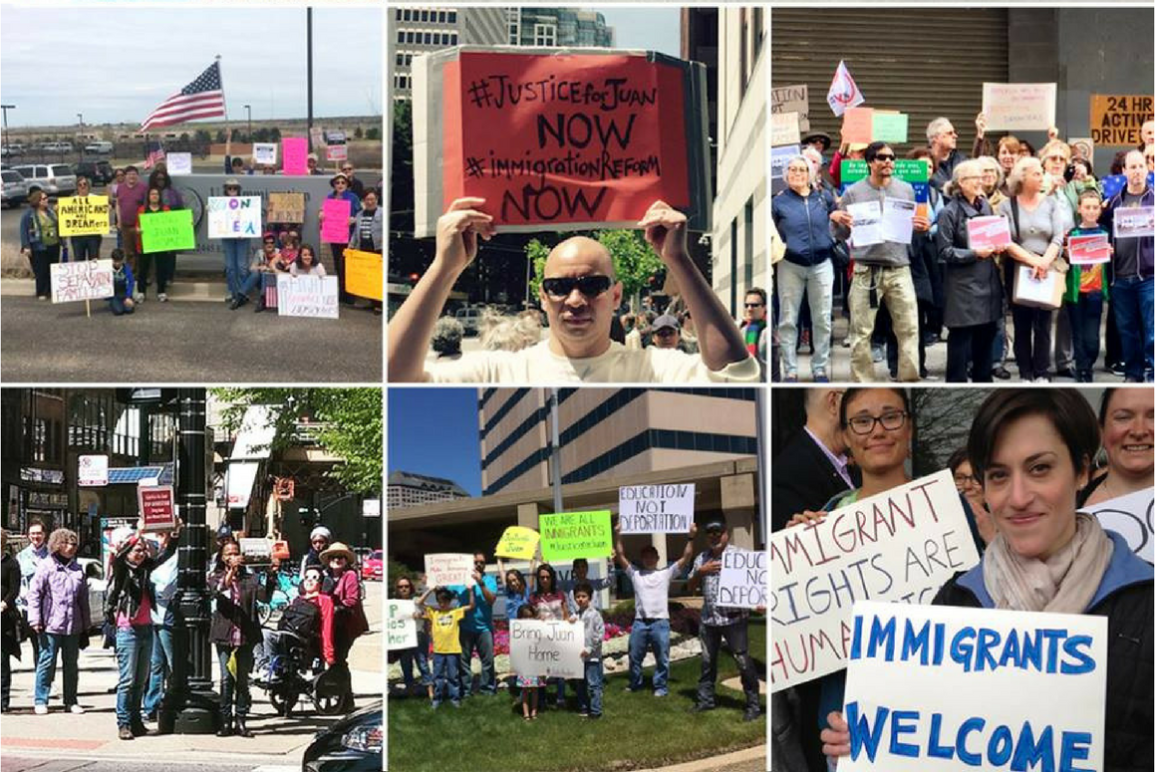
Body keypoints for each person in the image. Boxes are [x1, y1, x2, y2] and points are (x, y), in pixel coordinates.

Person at [820, 390, 1153, 772]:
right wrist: (864, 747)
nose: (1018, 497)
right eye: (998, 475)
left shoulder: (1146, 605)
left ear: (1080, 471)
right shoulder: (956, 600)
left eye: (1039, 468)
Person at [389, 199, 759, 383]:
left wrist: (679, 260)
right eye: (560, 287)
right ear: (542, 296)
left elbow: (737, 371)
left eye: (592, 285)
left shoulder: (654, 367)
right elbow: (394, 377)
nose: (576, 300)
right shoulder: (500, 370)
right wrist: (443, 267)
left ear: (615, 296)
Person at [831, 142, 929, 382]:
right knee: (861, 332)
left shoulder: (906, 189)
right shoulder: (853, 192)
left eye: (892, 158)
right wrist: (836, 219)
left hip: (899, 267)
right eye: (882, 157)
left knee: (909, 328)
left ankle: (908, 379)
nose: (888, 162)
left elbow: (912, 228)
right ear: (869, 162)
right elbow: (842, 234)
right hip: (866, 269)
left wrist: (921, 228)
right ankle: (863, 382)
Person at [106, 520, 181, 740]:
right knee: (128, 680)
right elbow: (119, 559)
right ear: (128, 552)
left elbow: (165, 556)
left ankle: (137, 722)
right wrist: (139, 533)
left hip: (146, 628)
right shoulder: (122, 570)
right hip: (127, 629)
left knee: (141, 680)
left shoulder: (146, 569)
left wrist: (175, 535)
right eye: (136, 550)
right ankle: (124, 722)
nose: (141, 553)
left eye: (142, 550)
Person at [936, 159, 1006, 382]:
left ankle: (983, 380)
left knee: (986, 336)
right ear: (961, 182)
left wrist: (998, 244)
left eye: (981, 176)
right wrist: (974, 253)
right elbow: (944, 252)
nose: (980, 181)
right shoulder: (949, 212)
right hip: (963, 287)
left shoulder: (985, 205)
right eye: (975, 177)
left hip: (987, 282)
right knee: (961, 339)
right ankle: (956, 383)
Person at [998, 157, 1066, 382]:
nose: (1041, 177)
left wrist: (1044, 261)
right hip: (1019, 269)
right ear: (1023, 176)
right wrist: (1032, 262)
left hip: (1047, 268)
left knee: (1044, 323)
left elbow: (1058, 235)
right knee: (1022, 323)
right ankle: (1026, 371)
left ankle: (1042, 371)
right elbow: (1006, 241)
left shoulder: (1051, 203)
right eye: (1037, 173)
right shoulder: (1008, 205)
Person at [687, 516, 761, 722]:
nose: (714, 537)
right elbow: (690, 587)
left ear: (726, 534)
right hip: (709, 620)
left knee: (743, 661)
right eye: (710, 534)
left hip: (734, 619)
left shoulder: (740, 557)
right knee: (707, 661)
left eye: (718, 533)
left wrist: (760, 602)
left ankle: (753, 704)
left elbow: (757, 584)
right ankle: (705, 700)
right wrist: (700, 573)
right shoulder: (701, 559)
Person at [613, 521, 698, 697]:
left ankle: (660, 687)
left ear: (658, 558)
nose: (649, 559)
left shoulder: (665, 573)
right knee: (635, 657)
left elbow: (686, 557)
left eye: (652, 556)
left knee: (662, 658)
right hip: (640, 623)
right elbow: (620, 556)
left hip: (660, 622)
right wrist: (618, 535)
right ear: (642, 559)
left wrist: (691, 537)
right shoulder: (635, 574)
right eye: (646, 556)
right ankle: (635, 683)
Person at [775, 155, 838, 382]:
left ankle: (819, 367)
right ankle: (790, 370)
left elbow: (837, 224)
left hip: (821, 263)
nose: (796, 173)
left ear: (810, 174)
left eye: (801, 170)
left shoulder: (823, 198)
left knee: (821, 317)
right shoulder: (779, 202)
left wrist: (835, 237)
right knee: (788, 319)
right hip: (790, 264)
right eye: (791, 169)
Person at [207, 539, 275, 738]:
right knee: (227, 679)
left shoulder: (249, 579)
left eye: (236, 553)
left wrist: (271, 575)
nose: (233, 556)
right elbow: (219, 590)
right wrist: (231, 572)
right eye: (228, 553)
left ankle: (241, 720)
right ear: (222, 557)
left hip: (245, 636)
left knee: (242, 681)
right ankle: (225, 722)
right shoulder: (216, 576)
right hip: (224, 636)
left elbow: (265, 598)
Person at [1101, 149, 1153, 382]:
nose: (1137, 171)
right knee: (1127, 330)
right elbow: (1101, 232)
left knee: (1152, 331)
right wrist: (1105, 248)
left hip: (1148, 277)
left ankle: (1152, 372)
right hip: (1120, 277)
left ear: (1147, 169)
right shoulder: (1113, 202)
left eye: (1141, 166)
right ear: (1123, 171)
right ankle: (1133, 373)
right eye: (1132, 167)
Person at [27, 528, 89, 716]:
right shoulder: (46, 566)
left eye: (73, 544)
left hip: (73, 625)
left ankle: (71, 700)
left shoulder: (77, 569)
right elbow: (34, 594)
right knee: (47, 661)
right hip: (51, 624)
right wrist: (35, 619)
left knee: (71, 664)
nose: (70, 547)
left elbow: (83, 599)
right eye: (66, 543)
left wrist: (86, 624)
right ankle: (40, 699)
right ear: (57, 545)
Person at [254, 564, 335, 680]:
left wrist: (329, 655)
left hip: (302, 639)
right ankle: (266, 667)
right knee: (259, 633)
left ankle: (272, 669)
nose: (309, 581)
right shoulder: (297, 599)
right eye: (307, 577)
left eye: (314, 578)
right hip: (285, 632)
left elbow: (327, 628)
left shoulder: (324, 601)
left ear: (321, 582)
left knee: (273, 636)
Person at [1064, 189, 1112, 382]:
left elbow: (1110, 260)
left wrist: (1110, 251)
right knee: (1078, 334)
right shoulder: (1072, 233)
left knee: (1092, 339)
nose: (1091, 211)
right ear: (1080, 210)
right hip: (1076, 292)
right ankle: (1083, 370)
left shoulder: (1104, 233)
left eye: (1095, 208)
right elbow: (1065, 259)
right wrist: (1066, 253)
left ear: (1099, 210)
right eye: (1087, 207)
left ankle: (1087, 361)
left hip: (1095, 291)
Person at [1081, 388, 1154, 507]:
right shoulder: (1068, 507)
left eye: (1153, 417)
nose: (1139, 431)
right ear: (1102, 431)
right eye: (1123, 418)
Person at [415, 585, 474, 709]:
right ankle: (437, 699)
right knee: (438, 676)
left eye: (445, 602)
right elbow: (419, 602)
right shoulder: (434, 612)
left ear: (449, 601)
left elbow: (471, 606)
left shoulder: (455, 611)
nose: (442, 604)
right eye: (440, 602)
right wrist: (430, 590)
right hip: (438, 650)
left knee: (453, 676)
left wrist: (470, 591)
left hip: (453, 649)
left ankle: (455, 698)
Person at [142, 530, 179, 722]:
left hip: (166, 616)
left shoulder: (173, 557)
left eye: (162, 535)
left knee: (172, 662)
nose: (158, 540)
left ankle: (173, 700)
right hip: (153, 617)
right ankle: (152, 705)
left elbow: (165, 587)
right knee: (156, 664)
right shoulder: (150, 562)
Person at [452, 553, 497, 698]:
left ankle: (487, 689)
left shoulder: (489, 580)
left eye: (482, 562)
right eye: (476, 562)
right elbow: (443, 590)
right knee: (463, 662)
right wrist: (433, 582)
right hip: (465, 627)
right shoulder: (460, 581)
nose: (479, 565)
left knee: (488, 661)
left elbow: (491, 600)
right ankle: (465, 691)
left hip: (484, 628)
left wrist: (481, 583)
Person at [322, 542, 368, 682]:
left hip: (347, 624)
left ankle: (346, 696)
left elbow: (352, 600)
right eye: (333, 557)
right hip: (330, 622)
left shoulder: (350, 575)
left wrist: (335, 608)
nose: (337, 559)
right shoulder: (325, 576)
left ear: (346, 559)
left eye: (341, 556)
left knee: (339, 658)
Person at [530, 562, 570, 707]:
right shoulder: (534, 597)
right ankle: (541, 699)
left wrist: (568, 629)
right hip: (541, 638)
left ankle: (560, 697)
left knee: (559, 669)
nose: (545, 580)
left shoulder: (559, 595)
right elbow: (530, 617)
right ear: (538, 579)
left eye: (547, 577)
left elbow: (566, 615)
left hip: (558, 636)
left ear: (552, 578)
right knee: (541, 669)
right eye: (542, 578)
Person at [319, 173, 361, 299]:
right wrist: (321, 214)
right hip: (334, 236)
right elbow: (323, 211)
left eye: (343, 182)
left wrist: (354, 219)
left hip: (348, 236)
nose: (340, 185)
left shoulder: (353, 197)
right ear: (334, 185)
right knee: (337, 264)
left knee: (346, 264)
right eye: (337, 183)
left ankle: (349, 293)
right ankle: (342, 292)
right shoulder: (329, 197)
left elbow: (360, 213)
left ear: (347, 184)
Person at [392, 576, 431, 699]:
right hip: (403, 639)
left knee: (423, 664)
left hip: (418, 636)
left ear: (410, 587)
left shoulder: (417, 600)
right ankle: (410, 693)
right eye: (400, 587)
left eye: (406, 586)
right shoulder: (393, 604)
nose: (403, 589)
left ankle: (431, 692)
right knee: (406, 665)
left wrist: (421, 616)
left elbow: (429, 615)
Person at [231, 232, 292, 311]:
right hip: (262, 282)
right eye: (267, 243)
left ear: (274, 244)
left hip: (275, 281)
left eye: (272, 242)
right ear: (263, 244)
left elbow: (285, 268)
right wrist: (260, 267)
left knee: (264, 273)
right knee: (257, 273)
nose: (269, 245)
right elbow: (252, 268)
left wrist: (269, 268)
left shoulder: (279, 252)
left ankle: (263, 299)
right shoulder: (260, 252)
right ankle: (240, 296)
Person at [16, 519, 49, 667]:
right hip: (27, 608)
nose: (36, 537)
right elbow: (18, 582)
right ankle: (40, 680)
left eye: (39, 533)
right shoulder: (21, 556)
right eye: (33, 534)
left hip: (48, 608)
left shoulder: (51, 555)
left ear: (44, 535)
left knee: (47, 646)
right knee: (36, 645)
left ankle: (46, 679)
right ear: (28, 535)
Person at [947, 447, 994, 546]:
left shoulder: (1007, 524)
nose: (967, 486)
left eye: (976, 478)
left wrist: (992, 538)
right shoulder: (937, 528)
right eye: (959, 478)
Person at [19, 191, 61, 300]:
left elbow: (58, 224)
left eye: (47, 198)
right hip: (38, 246)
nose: (46, 200)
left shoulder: (50, 212)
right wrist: (26, 246)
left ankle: (51, 290)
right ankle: (42, 292)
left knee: (52, 269)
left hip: (54, 244)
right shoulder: (29, 215)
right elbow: (23, 230)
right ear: (37, 201)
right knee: (41, 270)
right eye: (44, 198)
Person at [572, 582, 605, 719]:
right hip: (579, 657)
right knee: (580, 684)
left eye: (583, 596)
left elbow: (600, 634)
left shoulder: (595, 614)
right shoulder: (575, 615)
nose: (580, 599)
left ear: (589, 598)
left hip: (592, 657)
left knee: (593, 684)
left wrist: (590, 648)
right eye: (578, 596)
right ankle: (584, 707)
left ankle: (596, 710)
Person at [347, 188, 384, 312]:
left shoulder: (382, 213)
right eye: (367, 199)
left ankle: (379, 304)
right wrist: (351, 246)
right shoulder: (360, 214)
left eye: (372, 199)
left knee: (378, 278)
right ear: (364, 201)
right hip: (364, 250)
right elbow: (356, 234)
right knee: (368, 277)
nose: (370, 202)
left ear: (376, 200)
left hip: (378, 250)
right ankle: (371, 301)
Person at [135, 187, 173, 302]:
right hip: (146, 244)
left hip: (161, 244)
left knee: (161, 268)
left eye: (156, 194)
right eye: (152, 194)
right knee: (143, 269)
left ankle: (161, 291)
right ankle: (141, 292)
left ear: (160, 196)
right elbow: (137, 225)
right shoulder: (142, 210)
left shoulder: (166, 210)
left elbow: (172, 225)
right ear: (148, 196)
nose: (154, 196)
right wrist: (138, 230)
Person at [218, 179, 252, 305]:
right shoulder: (220, 204)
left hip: (242, 237)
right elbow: (217, 221)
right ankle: (232, 292)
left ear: (239, 190)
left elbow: (251, 219)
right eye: (230, 188)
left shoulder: (246, 203)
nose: (232, 191)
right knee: (230, 267)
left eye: (235, 188)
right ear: (225, 190)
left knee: (242, 267)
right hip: (227, 238)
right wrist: (211, 210)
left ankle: (243, 292)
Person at [114, 166, 149, 280]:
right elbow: (118, 204)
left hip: (138, 225)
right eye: (129, 174)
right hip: (125, 225)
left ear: (137, 176)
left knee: (141, 251)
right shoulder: (120, 188)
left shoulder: (143, 188)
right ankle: (131, 275)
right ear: (126, 176)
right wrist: (118, 221)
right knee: (129, 252)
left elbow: (146, 207)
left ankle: (143, 275)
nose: (131, 176)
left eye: (134, 174)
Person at [512, 604, 544, 720]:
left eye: (530, 617)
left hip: (535, 664)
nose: (528, 620)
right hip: (524, 665)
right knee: (525, 690)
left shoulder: (537, 630)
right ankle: (526, 713)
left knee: (535, 689)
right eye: (525, 617)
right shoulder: (518, 632)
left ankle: (534, 712)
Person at [1, 529, 20, 713]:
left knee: (2, 660)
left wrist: (4, 604)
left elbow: (14, 590)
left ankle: (3, 700)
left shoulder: (11, 564)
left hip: (4, 618)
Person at [927, 117, 968, 191]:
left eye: (954, 132)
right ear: (935, 138)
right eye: (950, 133)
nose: (955, 136)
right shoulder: (923, 162)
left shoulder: (962, 160)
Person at [69, 176, 104, 261]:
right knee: (79, 261)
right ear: (77, 187)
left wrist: (107, 208)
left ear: (88, 186)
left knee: (94, 260)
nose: (82, 186)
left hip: (93, 236)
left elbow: (104, 209)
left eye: (85, 184)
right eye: (80, 185)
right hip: (77, 237)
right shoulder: (71, 201)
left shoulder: (96, 199)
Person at [104, 248, 136, 316]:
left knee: (129, 310)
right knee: (119, 311)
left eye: (119, 261)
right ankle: (113, 302)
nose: (117, 263)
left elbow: (131, 282)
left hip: (124, 292)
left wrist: (128, 296)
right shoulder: (107, 268)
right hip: (114, 294)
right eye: (115, 261)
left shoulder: (126, 268)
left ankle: (123, 302)